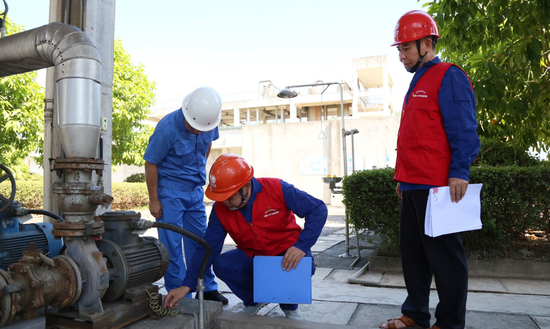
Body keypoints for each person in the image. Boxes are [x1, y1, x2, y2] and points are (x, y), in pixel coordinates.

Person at [381, 10, 480, 329]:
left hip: (439, 186)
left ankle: (449, 323)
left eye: (406, 48)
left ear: (427, 44)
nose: (401, 55)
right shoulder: (416, 82)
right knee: (413, 256)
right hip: (411, 185)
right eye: (399, 49)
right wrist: (401, 177)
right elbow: (413, 135)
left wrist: (460, 171)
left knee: (446, 258)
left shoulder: (448, 75)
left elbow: (464, 128)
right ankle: (415, 315)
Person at [164, 154, 328, 320]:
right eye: (221, 197)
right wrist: (187, 285)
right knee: (223, 264)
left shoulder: (276, 188)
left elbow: (318, 209)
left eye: (229, 197)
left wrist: (302, 246)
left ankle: (290, 307)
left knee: (301, 266)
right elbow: (209, 247)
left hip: (286, 253)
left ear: (246, 187)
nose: (225, 202)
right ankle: (254, 300)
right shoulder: (220, 209)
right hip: (253, 255)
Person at [143, 86, 228, 305]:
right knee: (172, 246)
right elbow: (151, 163)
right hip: (170, 192)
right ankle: (178, 293)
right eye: (194, 127)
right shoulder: (167, 128)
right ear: (187, 113)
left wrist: (199, 171)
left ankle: (206, 288)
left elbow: (207, 145)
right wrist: (154, 199)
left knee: (200, 241)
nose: (198, 131)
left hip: (194, 191)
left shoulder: (209, 122)